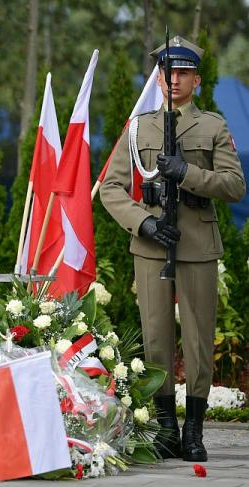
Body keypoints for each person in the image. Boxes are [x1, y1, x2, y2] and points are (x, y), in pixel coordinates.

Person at [100, 35, 245, 462]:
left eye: (183, 72)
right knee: (157, 336)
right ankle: (165, 426)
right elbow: (110, 188)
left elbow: (234, 186)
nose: (174, 79)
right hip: (151, 243)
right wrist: (142, 222)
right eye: (168, 72)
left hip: (197, 243)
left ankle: (194, 429)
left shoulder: (213, 126)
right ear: (159, 78)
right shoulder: (139, 127)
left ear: (196, 80)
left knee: (198, 339)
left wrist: (187, 173)